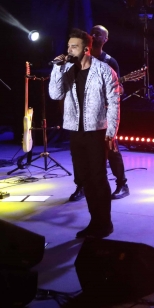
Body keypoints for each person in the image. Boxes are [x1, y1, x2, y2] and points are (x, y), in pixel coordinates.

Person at [49, 29, 121, 239]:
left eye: (74, 47)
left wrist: (111, 132)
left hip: (96, 131)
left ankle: (105, 223)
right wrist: (57, 69)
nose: (69, 50)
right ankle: (95, 221)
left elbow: (114, 103)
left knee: (98, 177)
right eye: (69, 46)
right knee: (85, 178)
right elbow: (55, 94)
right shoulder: (67, 69)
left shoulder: (104, 70)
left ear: (86, 49)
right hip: (75, 131)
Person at [91, 25, 128, 200]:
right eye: (92, 32)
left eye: (98, 34)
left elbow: (119, 90)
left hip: (105, 113)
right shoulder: (81, 60)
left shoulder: (110, 62)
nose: (94, 35)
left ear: (105, 39)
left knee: (111, 149)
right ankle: (82, 186)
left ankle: (122, 184)